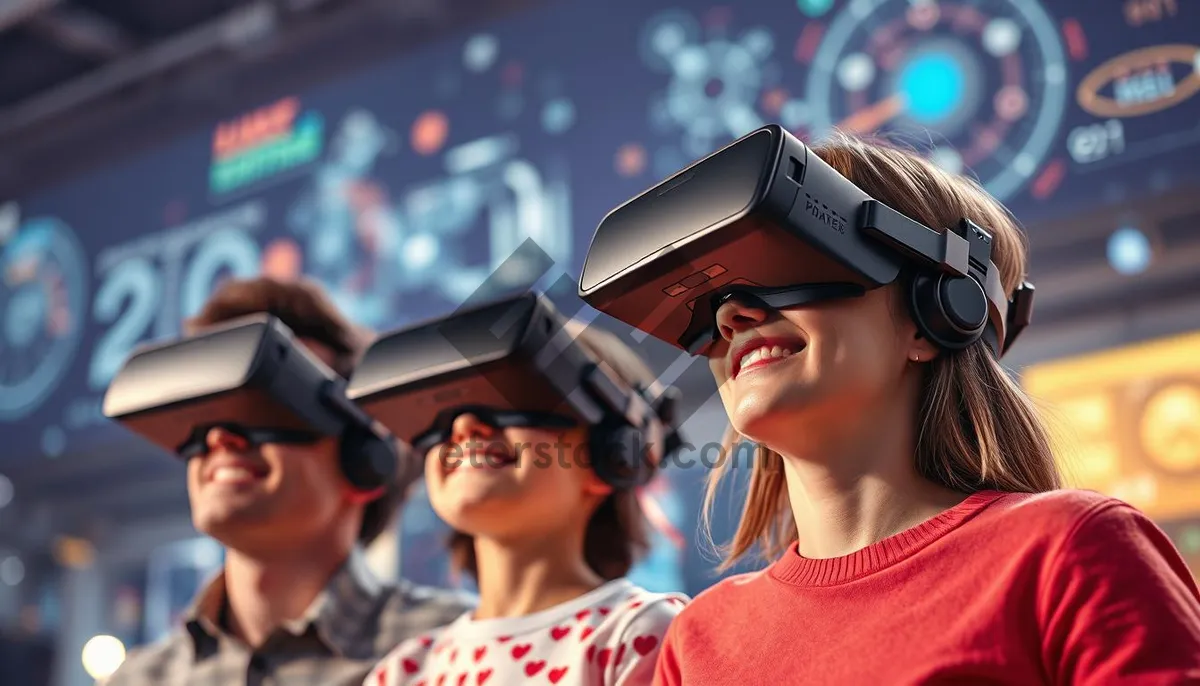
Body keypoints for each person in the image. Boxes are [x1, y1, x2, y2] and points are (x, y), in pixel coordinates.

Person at [643, 134, 1200, 684]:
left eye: (782, 268)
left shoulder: (1069, 551)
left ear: (934, 312)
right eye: (715, 298)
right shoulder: (695, 645)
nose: (731, 315)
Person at [107, 277, 472, 686]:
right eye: (207, 413)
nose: (219, 438)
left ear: (365, 458)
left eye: (265, 407)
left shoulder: (460, 650)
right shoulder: (137, 679)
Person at [365, 316, 687, 686]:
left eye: (513, 398)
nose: (465, 425)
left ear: (615, 453)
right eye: (446, 409)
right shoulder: (403, 671)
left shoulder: (641, 634)